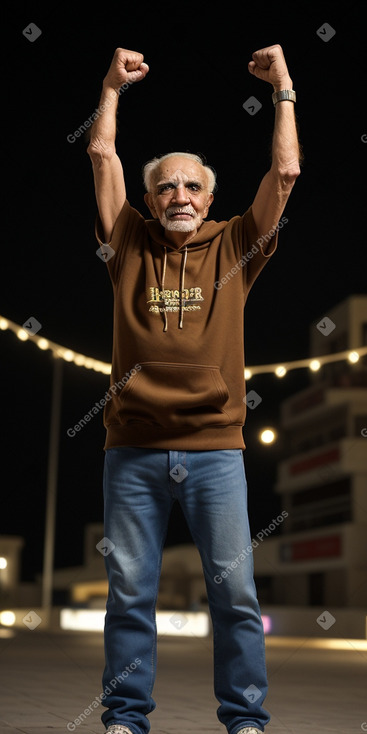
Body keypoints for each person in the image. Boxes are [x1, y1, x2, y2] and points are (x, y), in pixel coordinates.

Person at [87, 43, 301, 734]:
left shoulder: (236, 244)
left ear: (209, 198)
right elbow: (100, 158)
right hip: (132, 451)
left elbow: (287, 169)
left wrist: (283, 88)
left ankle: (244, 720)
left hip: (215, 451)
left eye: (191, 187)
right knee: (128, 595)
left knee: (234, 593)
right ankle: (125, 717)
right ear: (150, 201)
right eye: (165, 188)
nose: (178, 195)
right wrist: (111, 91)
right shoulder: (127, 244)